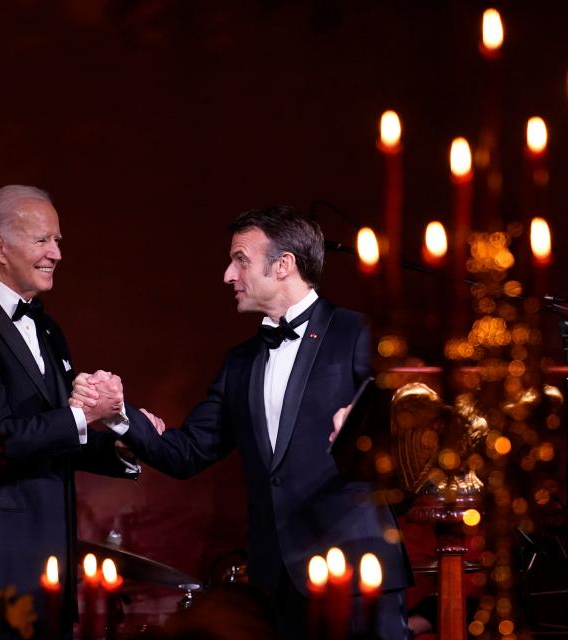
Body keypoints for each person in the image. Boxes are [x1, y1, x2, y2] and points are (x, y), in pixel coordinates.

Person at [71, 206, 410, 639]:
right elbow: (187, 453)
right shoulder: (240, 364)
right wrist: (118, 415)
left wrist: (370, 429)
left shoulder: (357, 333)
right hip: (275, 586)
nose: (228, 275)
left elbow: (412, 430)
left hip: (359, 572)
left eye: (240, 260)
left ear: (284, 264)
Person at [0, 185, 135, 639]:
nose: (56, 254)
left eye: (57, 241)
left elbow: (53, 435)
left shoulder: (47, 326)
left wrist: (120, 442)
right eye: (44, 241)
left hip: (49, 571)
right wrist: (82, 415)